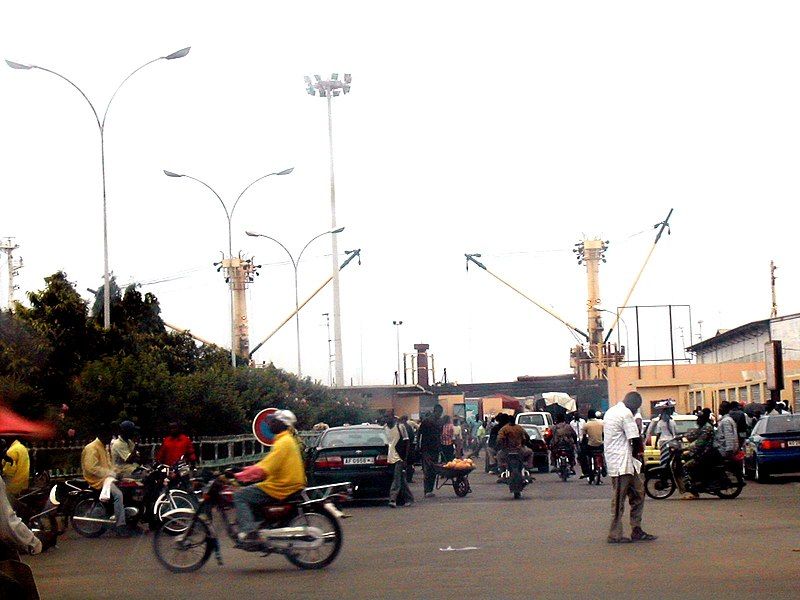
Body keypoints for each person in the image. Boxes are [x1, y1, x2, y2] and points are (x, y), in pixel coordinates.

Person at [233, 410, 306, 545]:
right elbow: (267, 463)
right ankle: (261, 524)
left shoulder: (283, 443)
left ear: (281, 424)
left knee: (240, 495)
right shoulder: (285, 440)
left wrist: (239, 476)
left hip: (281, 485)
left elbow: (265, 468)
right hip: (286, 482)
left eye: (273, 422)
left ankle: (250, 532)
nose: (269, 424)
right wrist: (243, 470)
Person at [604, 391, 656, 543]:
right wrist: (641, 457)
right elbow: (635, 439)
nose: (636, 412)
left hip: (626, 462)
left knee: (639, 494)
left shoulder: (611, 411)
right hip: (621, 463)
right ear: (634, 405)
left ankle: (637, 529)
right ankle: (614, 534)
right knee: (619, 500)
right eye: (637, 408)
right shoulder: (625, 413)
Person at [1, 442, 41, 599]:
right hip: (17, 487)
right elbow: (8, 522)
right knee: (13, 589)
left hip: (14, 489)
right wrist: (33, 542)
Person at [81, 425, 129, 536]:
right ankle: (120, 525)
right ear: (102, 435)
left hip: (106, 478)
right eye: (109, 436)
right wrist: (111, 473)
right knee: (118, 495)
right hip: (97, 480)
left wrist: (118, 472)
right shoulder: (92, 448)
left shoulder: (103, 446)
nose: (110, 438)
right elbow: (91, 468)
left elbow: (108, 465)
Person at [680, 408, 717, 500]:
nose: (697, 420)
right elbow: (695, 435)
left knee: (686, 467)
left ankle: (695, 490)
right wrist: (684, 436)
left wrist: (689, 450)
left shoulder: (707, 428)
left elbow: (700, 443)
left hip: (705, 453)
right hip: (702, 452)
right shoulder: (703, 426)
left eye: (699, 418)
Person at [384, 414, 413, 508]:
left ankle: (393, 499)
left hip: (399, 457)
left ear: (393, 418)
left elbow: (407, 442)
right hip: (390, 457)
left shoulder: (400, 427)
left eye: (388, 417)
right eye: (385, 417)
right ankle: (409, 498)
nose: (386, 419)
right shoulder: (384, 428)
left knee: (396, 478)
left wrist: (405, 458)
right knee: (401, 479)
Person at [417, 405, 443, 498]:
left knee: (434, 469)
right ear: (435, 411)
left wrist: (440, 446)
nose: (440, 415)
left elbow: (439, 435)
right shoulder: (426, 421)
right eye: (439, 413)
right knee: (427, 469)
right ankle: (427, 490)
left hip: (435, 449)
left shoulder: (440, 422)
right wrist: (418, 446)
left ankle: (430, 490)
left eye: (441, 413)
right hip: (426, 449)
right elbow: (419, 433)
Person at [645, 401, 677, 469]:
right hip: (672, 441)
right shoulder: (672, 422)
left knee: (664, 458)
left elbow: (658, 434)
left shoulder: (660, 423)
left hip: (663, 442)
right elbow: (675, 432)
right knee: (671, 457)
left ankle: (664, 469)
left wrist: (656, 443)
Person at [583, 411, 605, 477]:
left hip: (591, 445)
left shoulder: (586, 425)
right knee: (602, 454)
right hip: (600, 444)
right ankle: (603, 468)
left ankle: (588, 471)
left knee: (585, 456)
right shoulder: (601, 423)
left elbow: (584, 436)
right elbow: (603, 434)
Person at [399, 415, 416, 482]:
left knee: (402, 463)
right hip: (409, 447)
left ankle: (402, 478)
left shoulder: (399, 427)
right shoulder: (408, 427)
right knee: (409, 464)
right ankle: (409, 478)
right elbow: (412, 437)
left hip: (400, 448)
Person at [570, 412, 587, 477]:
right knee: (577, 450)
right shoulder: (572, 423)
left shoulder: (583, 421)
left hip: (582, 437)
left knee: (582, 451)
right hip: (575, 438)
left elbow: (585, 429)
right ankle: (579, 458)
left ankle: (580, 458)